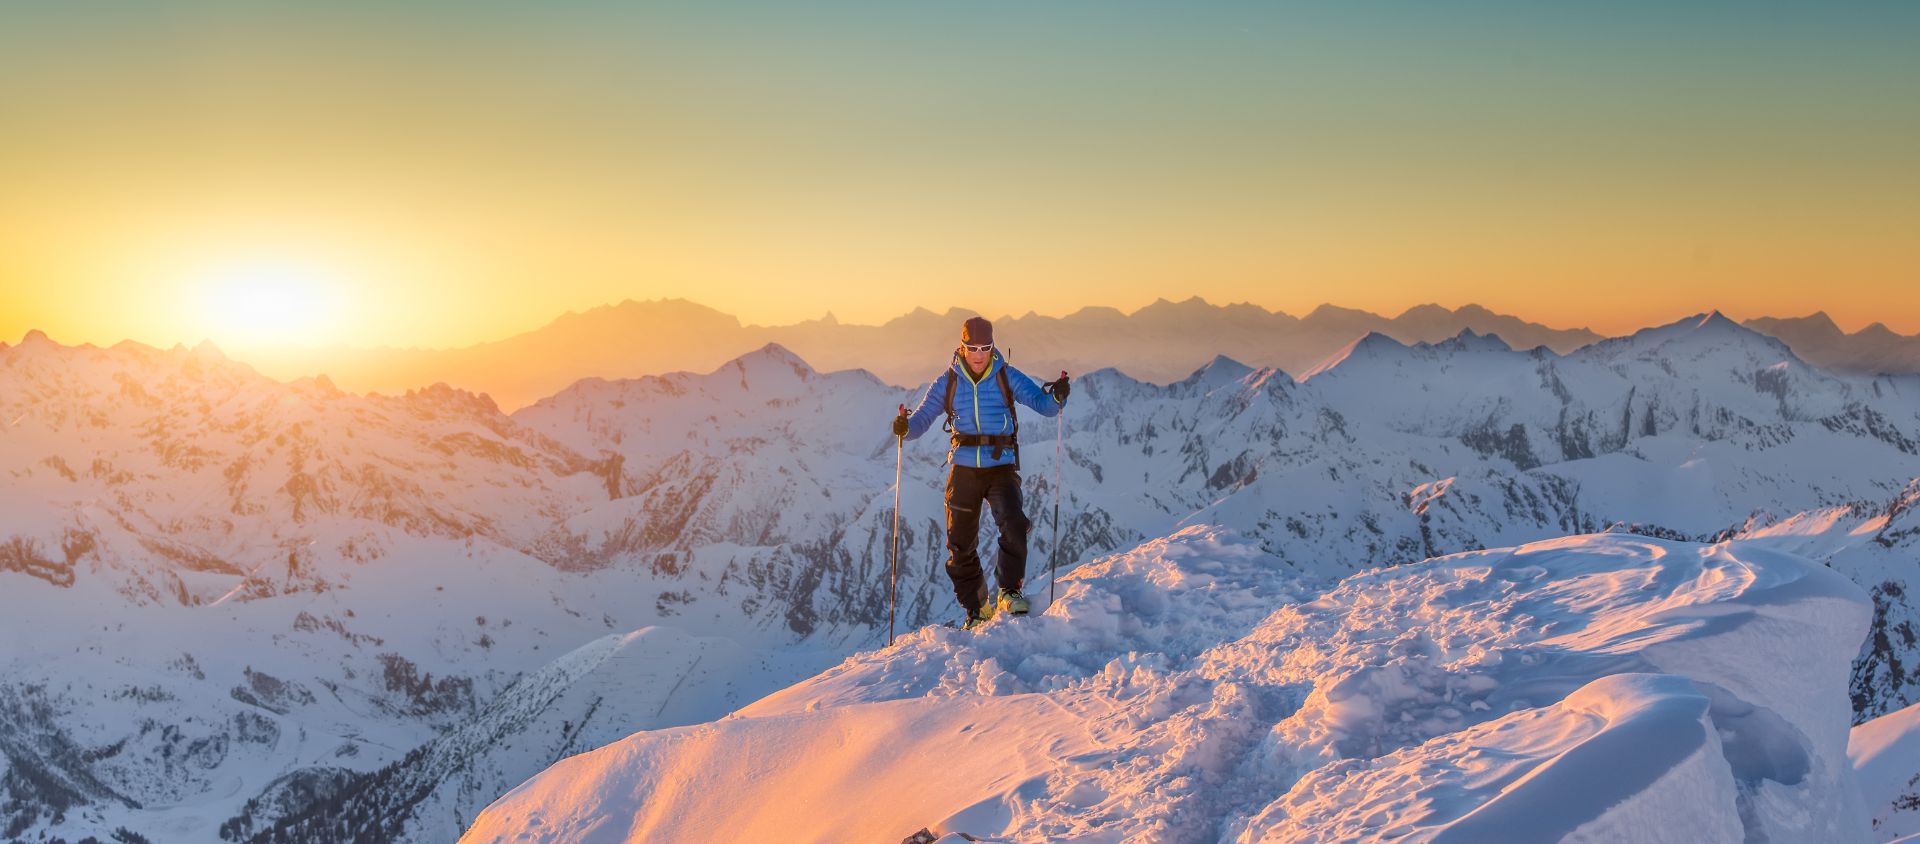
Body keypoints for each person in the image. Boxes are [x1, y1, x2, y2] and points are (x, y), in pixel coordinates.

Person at [892, 316, 1070, 629]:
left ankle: (1009, 591)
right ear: (961, 347)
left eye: (985, 347)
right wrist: (905, 428)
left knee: (1014, 523)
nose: (978, 354)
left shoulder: (1006, 376)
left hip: (1000, 465)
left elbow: (1043, 405)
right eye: (972, 347)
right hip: (962, 466)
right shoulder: (947, 382)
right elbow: (920, 422)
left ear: (992, 346)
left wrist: (1056, 396)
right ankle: (977, 610)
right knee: (959, 543)